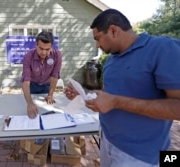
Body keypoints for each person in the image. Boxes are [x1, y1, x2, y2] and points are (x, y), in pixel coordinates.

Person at [64, 9, 180, 167]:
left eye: (98, 39)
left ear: (113, 30)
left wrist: (116, 102)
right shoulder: (111, 60)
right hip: (106, 141)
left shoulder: (162, 48)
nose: (97, 45)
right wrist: (84, 94)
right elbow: (109, 95)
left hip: (139, 155)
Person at [21, 31, 62, 118]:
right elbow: (25, 80)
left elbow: (55, 76)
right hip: (32, 85)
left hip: (47, 85)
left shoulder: (57, 55)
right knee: (32, 112)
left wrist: (50, 95)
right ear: (36, 45)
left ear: (51, 47)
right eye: (41, 48)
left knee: (46, 112)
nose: (44, 52)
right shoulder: (28, 56)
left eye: (47, 49)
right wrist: (30, 103)